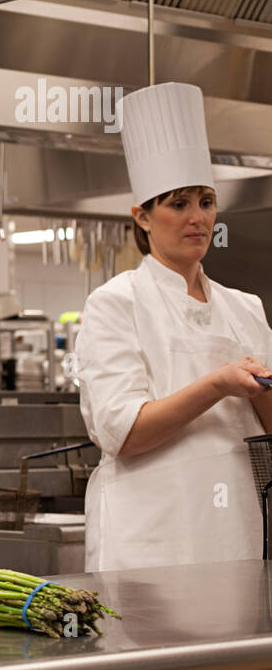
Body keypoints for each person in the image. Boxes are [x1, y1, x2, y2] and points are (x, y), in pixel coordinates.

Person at [74, 81, 272, 571]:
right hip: (149, 539)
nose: (197, 219)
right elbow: (126, 434)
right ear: (142, 216)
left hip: (235, 535)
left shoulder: (245, 307)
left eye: (206, 202)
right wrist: (218, 383)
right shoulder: (115, 304)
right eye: (178, 204)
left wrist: (262, 390)